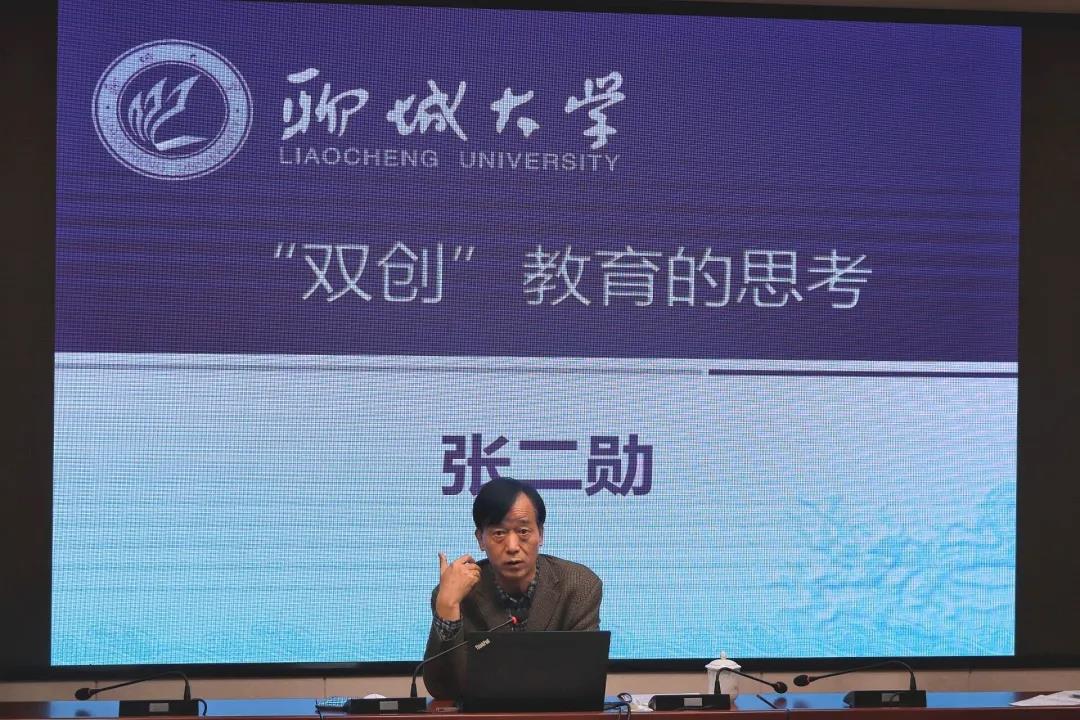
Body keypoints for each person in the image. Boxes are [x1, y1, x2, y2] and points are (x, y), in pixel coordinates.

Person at [421, 477, 602, 700]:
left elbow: (582, 680)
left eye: (523, 531)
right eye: (499, 533)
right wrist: (448, 606)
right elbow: (443, 690)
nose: (513, 546)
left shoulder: (579, 586)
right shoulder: (457, 593)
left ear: (541, 534)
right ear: (480, 539)